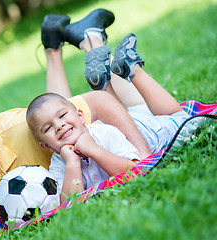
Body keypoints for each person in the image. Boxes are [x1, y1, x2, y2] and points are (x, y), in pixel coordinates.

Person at [0, 9, 152, 239]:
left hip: (116, 136)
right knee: (55, 118)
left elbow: (100, 102)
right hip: (67, 151)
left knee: (133, 109)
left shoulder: (17, 128)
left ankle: (92, 40)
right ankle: (53, 46)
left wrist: (144, 159)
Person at [26, 33, 190, 203]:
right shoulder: (60, 163)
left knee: (179, 118)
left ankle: (133, 69)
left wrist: (94, 150)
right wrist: (72, 163)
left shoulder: (104, 134)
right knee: (140, 109)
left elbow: (134, 171)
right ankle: (106, 84)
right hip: (125, 123)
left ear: (81, 116)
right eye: (48, 128)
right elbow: (69, 205)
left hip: (148, 133)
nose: (59, 126)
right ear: (45, 146)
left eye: (62, 115)